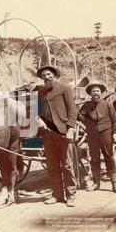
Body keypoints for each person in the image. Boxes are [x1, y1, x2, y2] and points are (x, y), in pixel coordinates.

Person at [36, 65, 77, 207]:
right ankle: (57, 194)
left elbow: (72, 109)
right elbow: (38, 112)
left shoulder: (64, 89)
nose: (46, 77)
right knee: (52, 166)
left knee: (66, 165)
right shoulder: (40, 93)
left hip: (63, 131)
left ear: (54, 75)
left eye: (48, 74)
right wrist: (39, 119)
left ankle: (71, 195)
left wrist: (70, 128)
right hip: (48, 134)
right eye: (43, 76)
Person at [78, 81, 116, 194]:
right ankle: (96, 183)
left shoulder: (108, 104)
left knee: (109, 157)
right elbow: (80, 116)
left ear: (101, 93)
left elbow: (115, 120)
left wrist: (115, 133)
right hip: (92, 136)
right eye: (93, 91)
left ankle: (114, 183)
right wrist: (87, 122)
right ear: (90, 94)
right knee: (94, 159)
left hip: (106, 134)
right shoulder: (87, 105)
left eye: (97, 91)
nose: (95, 93)